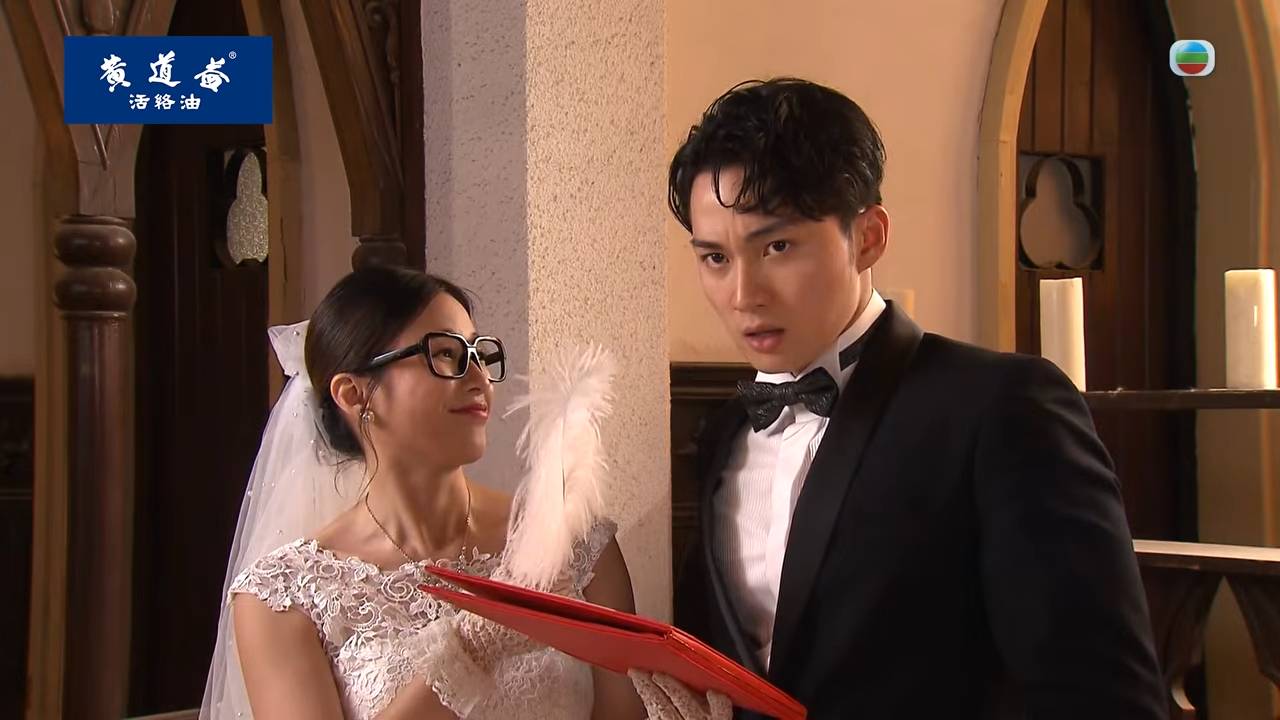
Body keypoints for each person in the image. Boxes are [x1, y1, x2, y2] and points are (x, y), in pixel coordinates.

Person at [668, 78, 1169, 719]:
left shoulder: (1001, 408)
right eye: (715, 258)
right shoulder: (725, 433)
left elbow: (1105, 699)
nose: (743, 295)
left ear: (868, 237)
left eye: (778, 247)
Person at [200, 266, 681, 719]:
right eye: (446, 354)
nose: (479, 379)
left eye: (478, 354)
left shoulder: (576, 544)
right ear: (353, 394)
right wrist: (467, 651)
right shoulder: (281, 596)